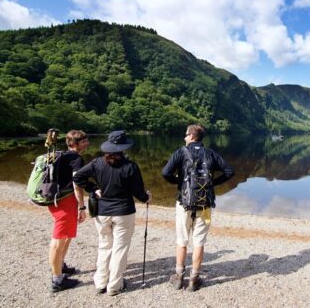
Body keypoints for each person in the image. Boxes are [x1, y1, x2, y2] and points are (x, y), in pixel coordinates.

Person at [74, 130, 151, 296]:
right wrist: (147, 198)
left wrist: (93, 189)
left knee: (104, 246)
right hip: (124, 212)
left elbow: (78, 177)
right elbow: (138, 192)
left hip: (102, 212)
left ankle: (101, 283)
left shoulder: (97, 163)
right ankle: (115, 286)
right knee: (120, 248)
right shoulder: (130, 166)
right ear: (123, 148)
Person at [161, 124, 234, 291]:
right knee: (199, 241)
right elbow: (230, 171)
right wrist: (212, 184)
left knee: (182, 240)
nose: (184, 137)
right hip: (204, 205)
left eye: (186, 135)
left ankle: (179, 277)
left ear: (192, 136)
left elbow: (165, 173)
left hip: (184, 203)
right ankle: (194, 279)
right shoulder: (211, 153)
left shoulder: (180, 152)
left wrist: (179, 183)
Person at [48, 129, 90, 292]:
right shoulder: (76, 159)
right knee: (58, 239)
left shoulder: (63, 156)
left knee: (66, 236)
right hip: (65, 201)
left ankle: (60, 265)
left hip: (58, 199)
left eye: (86, 140)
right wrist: (82, 206)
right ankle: (57, 280)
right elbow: (76, 184)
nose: (87, 143)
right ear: (74, 143)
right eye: (83, 141)